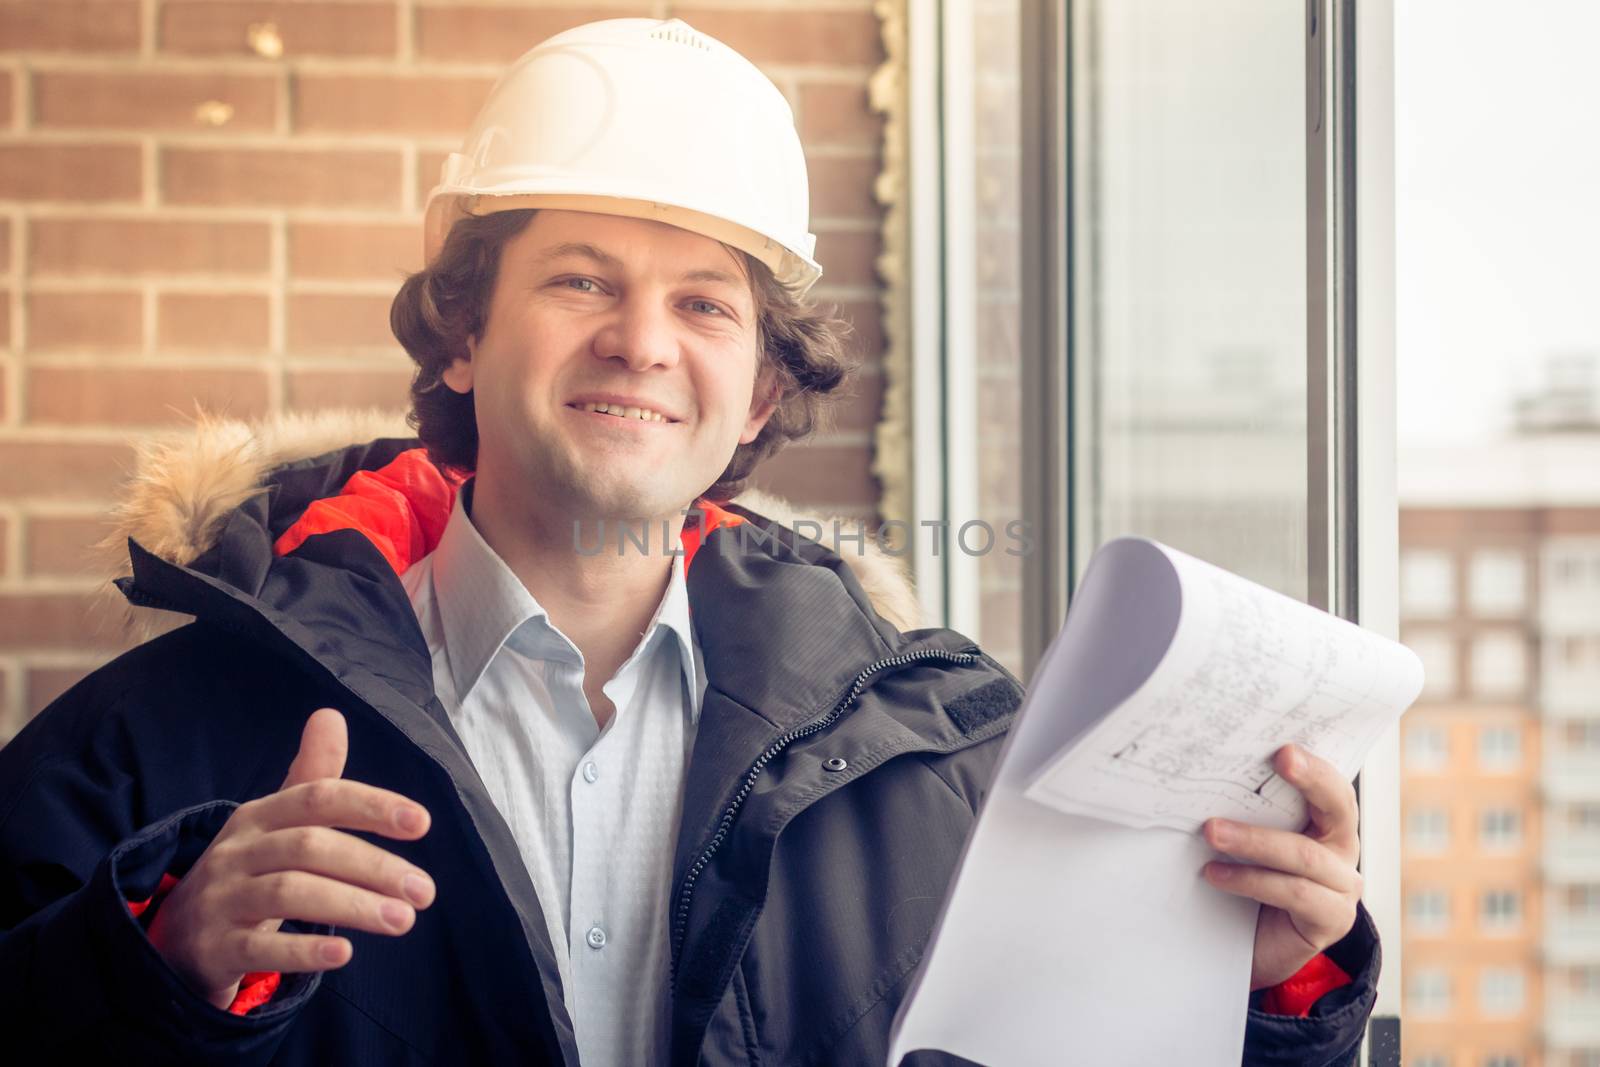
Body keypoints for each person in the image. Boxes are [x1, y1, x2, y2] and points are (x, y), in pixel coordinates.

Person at [0, 17, 1379, 1066]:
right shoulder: (151, 749)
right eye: (581, 280)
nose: (641, 343)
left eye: (706, 307)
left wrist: (1252, 996)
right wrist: (151, 961)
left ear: (764, 391)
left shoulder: (946, 761)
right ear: (465, 336)